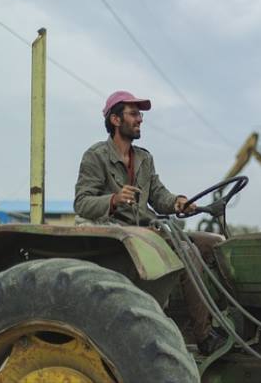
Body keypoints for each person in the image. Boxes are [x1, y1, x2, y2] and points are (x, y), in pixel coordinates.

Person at [74, 90, 225, 355]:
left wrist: (178, 202)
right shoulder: (95, 156)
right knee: (186, 251)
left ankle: (223, 319)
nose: (140, 119)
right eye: (133, 114)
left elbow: (158, 195)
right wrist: (113, 199)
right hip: (117, 233)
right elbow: (82, 202)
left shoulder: (144, 158)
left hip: (146, 229)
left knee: (215, 245)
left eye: (140, 114)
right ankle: (204, 335)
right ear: (115, 120)